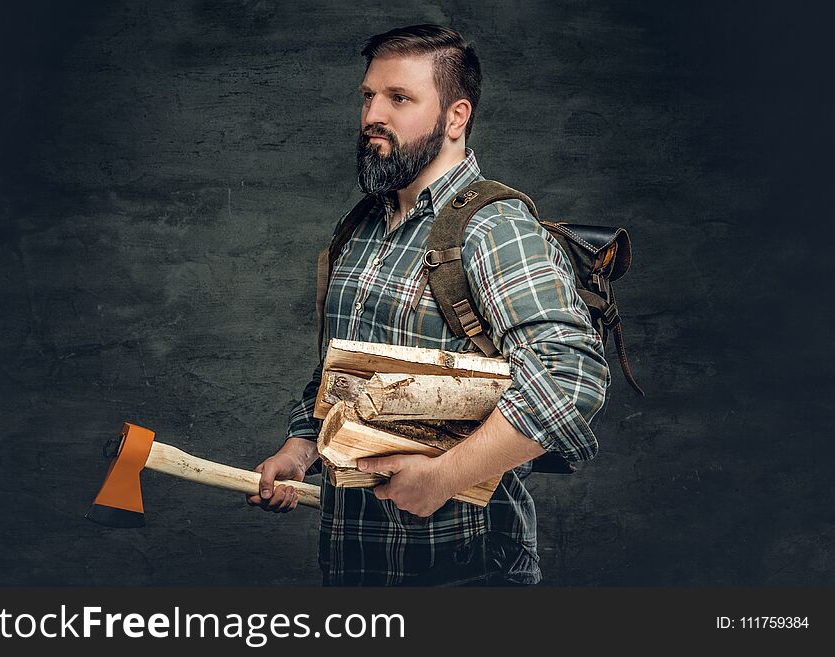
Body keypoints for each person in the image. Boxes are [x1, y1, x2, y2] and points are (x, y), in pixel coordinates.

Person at [246, 24, 610, 586]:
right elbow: (342, 379)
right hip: (356, 566)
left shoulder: (494, 228)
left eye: (399, 98)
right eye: (368, 96)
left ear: (456, 117)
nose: (373, 115)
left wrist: (444, 476)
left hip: (467, 577)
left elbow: (571, 376)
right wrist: (300, 452)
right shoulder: (362, 227)